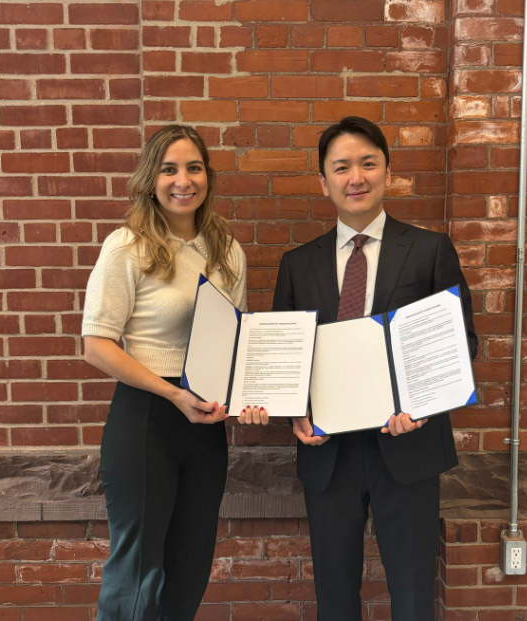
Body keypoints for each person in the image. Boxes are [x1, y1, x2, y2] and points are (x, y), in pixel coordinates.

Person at [272, 117, 478, 621]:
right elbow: (285, 360)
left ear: (388, 171)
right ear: (324, 182)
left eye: (368, 163)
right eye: (341, 167)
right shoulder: (297, 264)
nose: (356, 177)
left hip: (408, 447)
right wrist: (295, 413)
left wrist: (422, 406)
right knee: (335, 597)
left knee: (413, 596)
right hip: (328, 454)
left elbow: (461, 344)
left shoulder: (429, 250)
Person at [82, 125, 248, 621]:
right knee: (137, 571)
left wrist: (243, 396)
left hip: (206, 425)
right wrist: (173, 394)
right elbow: (96, 346)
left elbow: (236, 341)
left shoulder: (227, 251)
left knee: (190, 565)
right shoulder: (127, 246)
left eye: (194, 168)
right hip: (147, 418)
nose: (183, 180)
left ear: (207, 176)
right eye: (169, 169)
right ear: (150, 180)